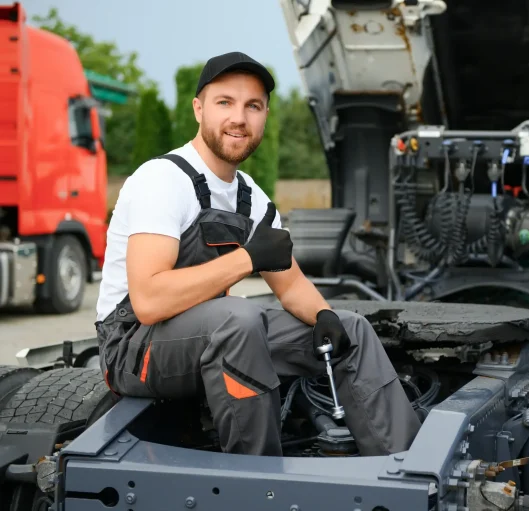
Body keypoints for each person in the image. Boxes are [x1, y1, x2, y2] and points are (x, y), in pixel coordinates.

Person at [94, 51, 422, 457]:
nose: (239, 118)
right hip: (133, 349)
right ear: (199, 109)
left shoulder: (252, 198)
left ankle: (407, 469)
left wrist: (324, 317)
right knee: (239, 318)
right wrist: (247, 258)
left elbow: (292, 285)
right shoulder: (162, 181)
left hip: (210, 335)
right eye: (225, 103)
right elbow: (148, 300)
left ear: (265, 114)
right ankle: (261, 481)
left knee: (351, 330)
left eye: (253, 106)